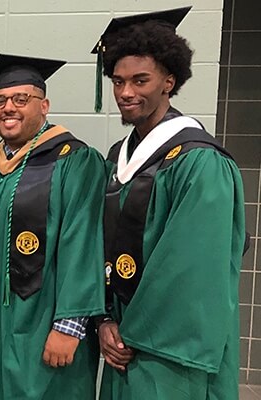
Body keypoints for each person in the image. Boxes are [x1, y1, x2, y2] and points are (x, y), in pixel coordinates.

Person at [94, 7, 245, 399]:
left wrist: (132, 332)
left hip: (170, 348)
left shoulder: (199, 160)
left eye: (140, 80)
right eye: (118, 81)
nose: (126, 93)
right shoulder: (118, 157)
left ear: (169, 81)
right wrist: (104, 319)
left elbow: (190, 267)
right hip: (123, 337)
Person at [0, 54, 106, 400]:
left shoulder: (74, 160)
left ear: (44, 105)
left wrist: (70, 325)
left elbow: (82, 242)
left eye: (21, 99)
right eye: (1, 100)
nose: (9, 108)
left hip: (39, 322)